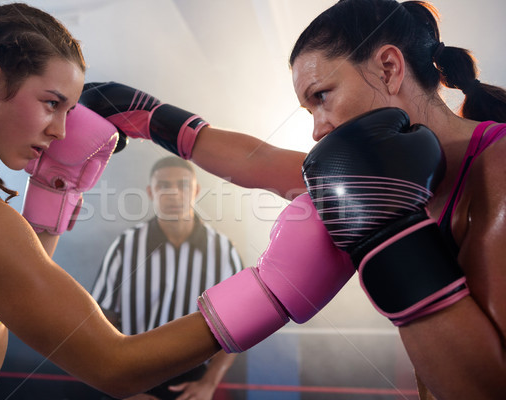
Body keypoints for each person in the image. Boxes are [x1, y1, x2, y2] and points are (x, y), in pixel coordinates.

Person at [78, 1, 506, 398]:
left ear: (389, 68)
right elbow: (257, 162)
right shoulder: (388, 176)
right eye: (308, 110)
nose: (318, 129)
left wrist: (384, 236)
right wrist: (146, 115)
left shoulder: (498, 169)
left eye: (322, 95)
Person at [0, 4, 229, 399]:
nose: (61, 131)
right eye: (52, 103)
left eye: (69, 110)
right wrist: (274, 294)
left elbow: (18, 287)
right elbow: (116, 367)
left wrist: (55, 190)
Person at [92, 156, 242, 400]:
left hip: (191, 381)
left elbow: (239, 324)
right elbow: (102, 319)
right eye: (163, 186)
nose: (173, 193)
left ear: (196, 191)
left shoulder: (223, 251)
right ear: (151, 192)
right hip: (132, 375)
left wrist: (209, 382)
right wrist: (120, 386)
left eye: (182, 185)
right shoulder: (127, 246)